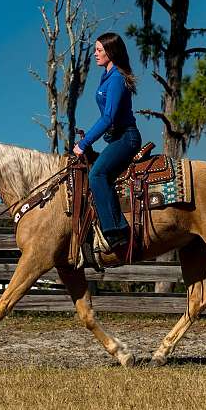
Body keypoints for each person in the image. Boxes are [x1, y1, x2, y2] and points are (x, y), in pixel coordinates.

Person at [73, 32, 142, 250]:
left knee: (97, 174)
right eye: (96, 49)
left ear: (111, 52)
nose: (95, 54)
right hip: (117, 138)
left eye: (99, 50)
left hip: (127, 137)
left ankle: (116, 232)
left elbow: (109, 117)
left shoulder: (116, 79)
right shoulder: (107, 76)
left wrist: (84, 144)